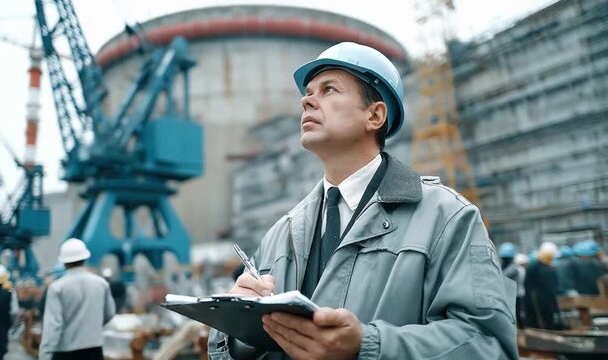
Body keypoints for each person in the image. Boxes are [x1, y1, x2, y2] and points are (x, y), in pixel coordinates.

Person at [208, 41, 517, 359]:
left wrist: (367, 346)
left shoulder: (447, 218)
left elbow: (489, 344)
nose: (307, 101)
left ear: (375, 115)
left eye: (328, 90)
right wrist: (239, 335)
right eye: (309, 91)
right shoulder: (282, 233)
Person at [39, 238, 115, 360]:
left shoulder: (57, 288)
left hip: (65, 352)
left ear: (63, 262)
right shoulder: (101, 284)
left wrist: (45, 355)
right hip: (94, 350)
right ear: (85, 259)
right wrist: (91, 327)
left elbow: (53, 326)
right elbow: (109, 313)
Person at [524, 242, 561, 330]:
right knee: (546, 325)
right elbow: (551, 290)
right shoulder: (546, 270)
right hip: (543, 304)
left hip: (532, 303)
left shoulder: (532, 266)